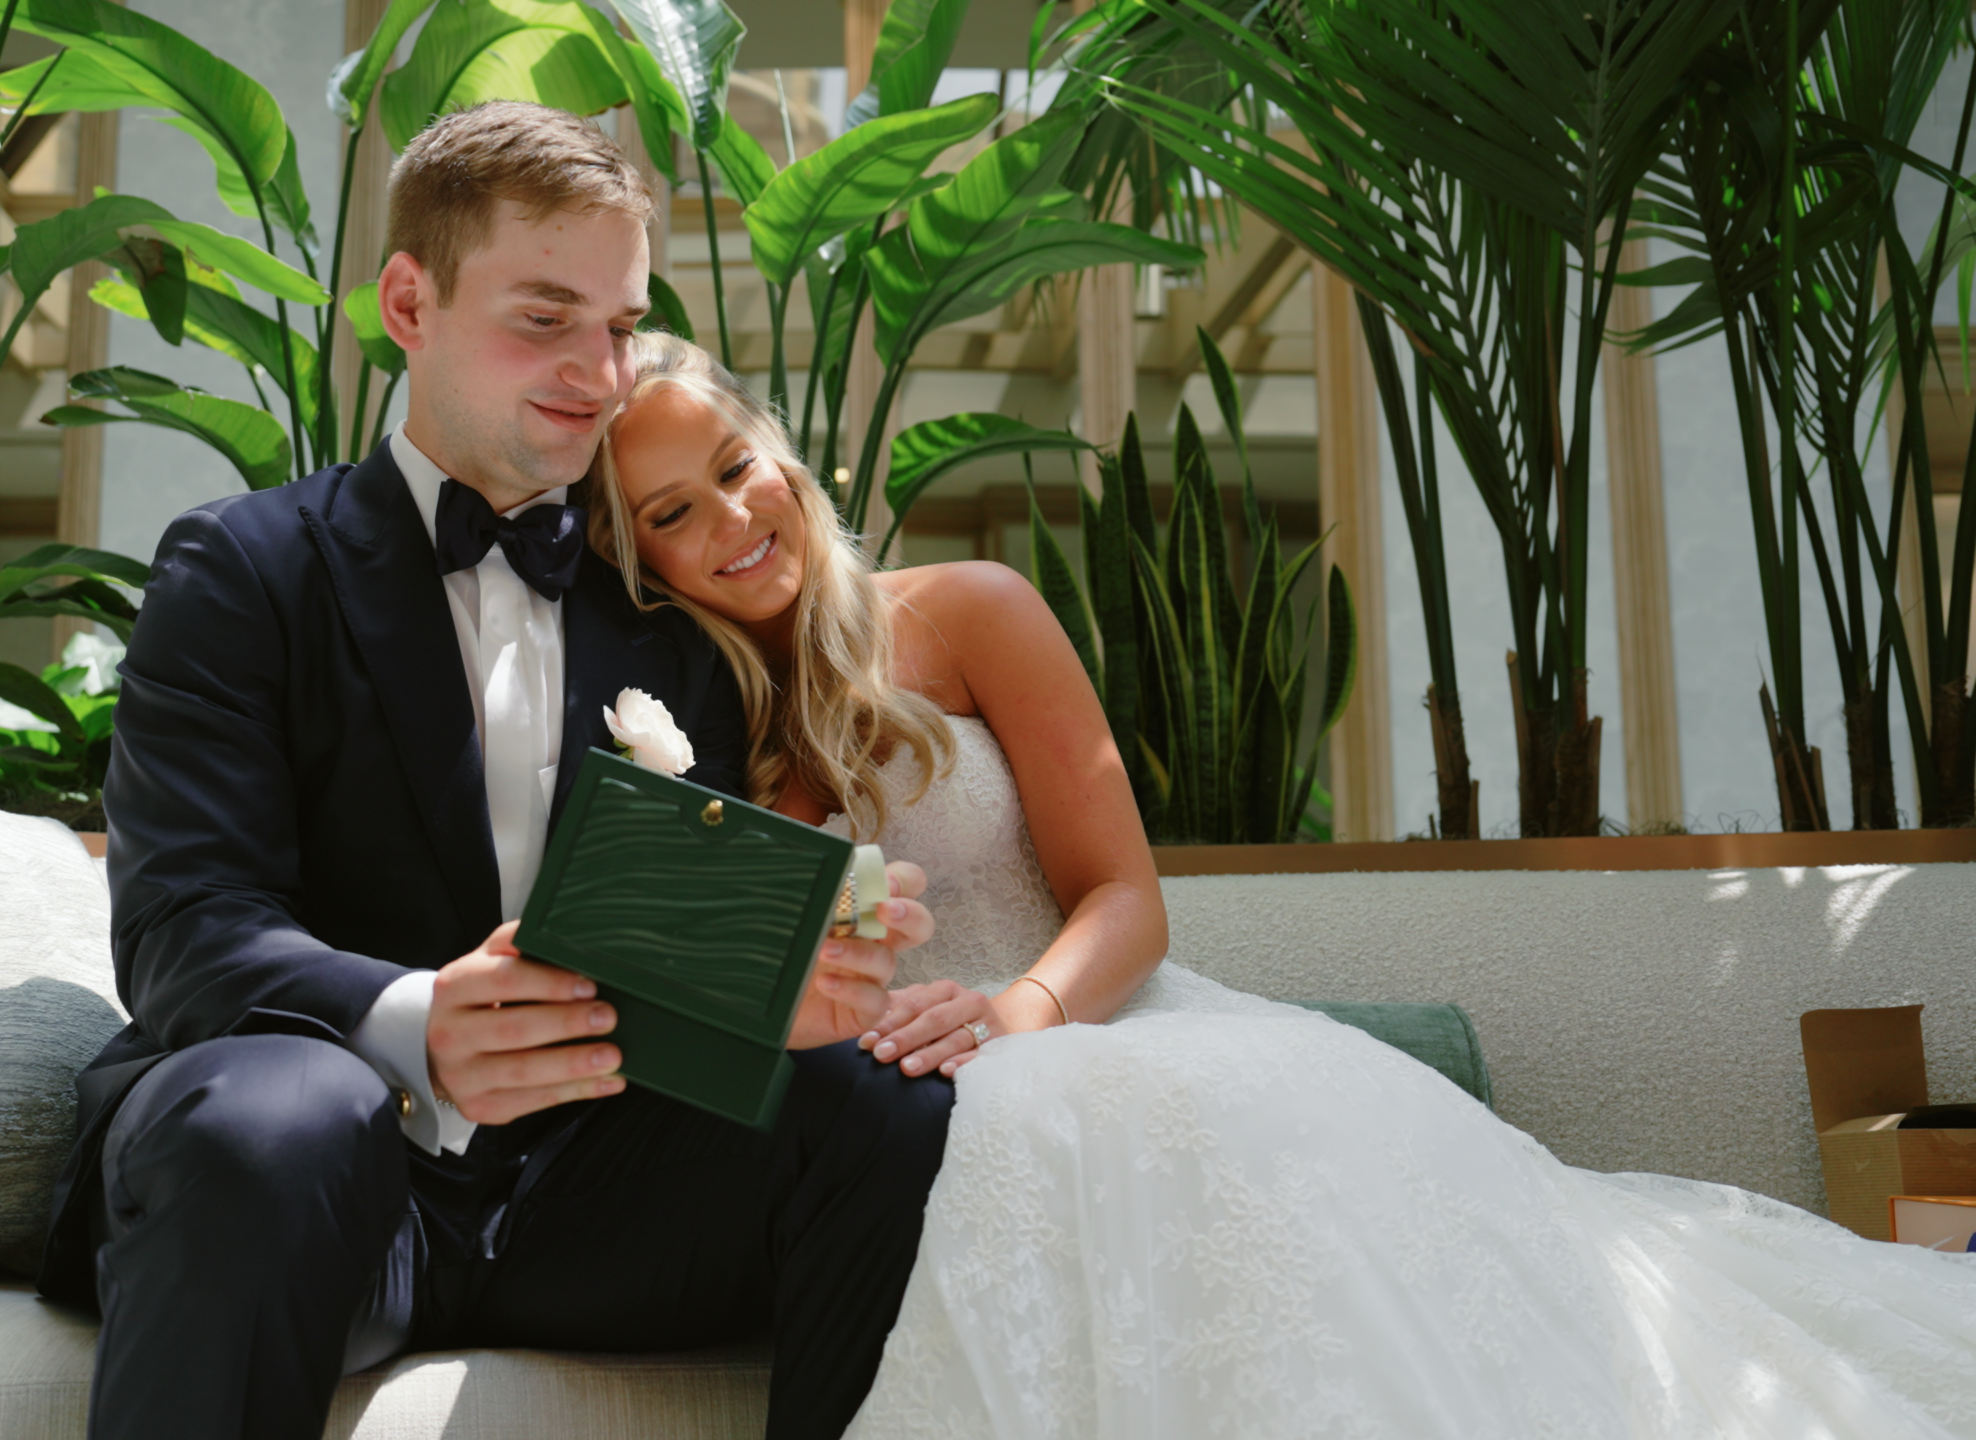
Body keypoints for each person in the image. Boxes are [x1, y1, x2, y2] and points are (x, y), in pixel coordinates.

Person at [587, 330, 1976, 1438]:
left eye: (736, 463)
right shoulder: (686, 736)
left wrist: (1022, 1020)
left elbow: (1126, 895)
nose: (732, 515)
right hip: (888, 1126)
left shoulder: (963, 611)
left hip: (1081, 1034)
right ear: (635, 556)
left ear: (778, 451)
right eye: (672, 510)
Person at [37, 105, 956, 1440]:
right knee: (282, 1113)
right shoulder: (241, 572)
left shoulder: (669, 616)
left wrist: (768, 994)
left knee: (872, 1099)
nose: (599, 370)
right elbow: (188, 936)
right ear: (410, 300)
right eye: (545, 318)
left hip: (592, 1204)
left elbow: (644, 954)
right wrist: (417, 1020)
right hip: (316, 1190)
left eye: (622, 323)